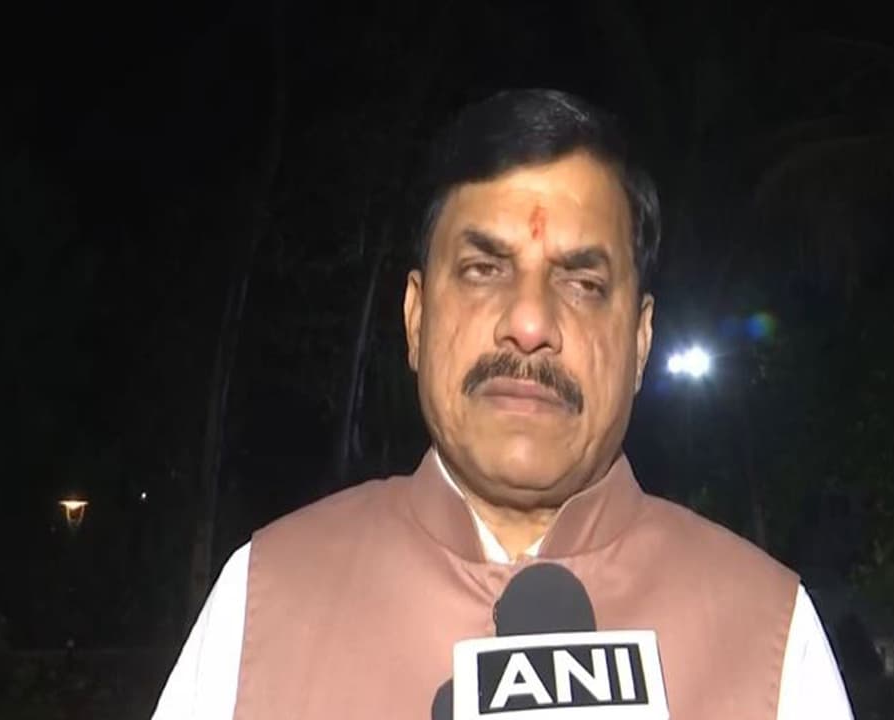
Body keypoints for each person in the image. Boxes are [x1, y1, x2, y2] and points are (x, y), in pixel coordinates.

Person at [152, 89, 854, 720]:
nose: (529, 322)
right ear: (416, 319)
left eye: (582, 283)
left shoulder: (767, 636)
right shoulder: (264, 601)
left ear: (641, 342)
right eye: (484, 269)